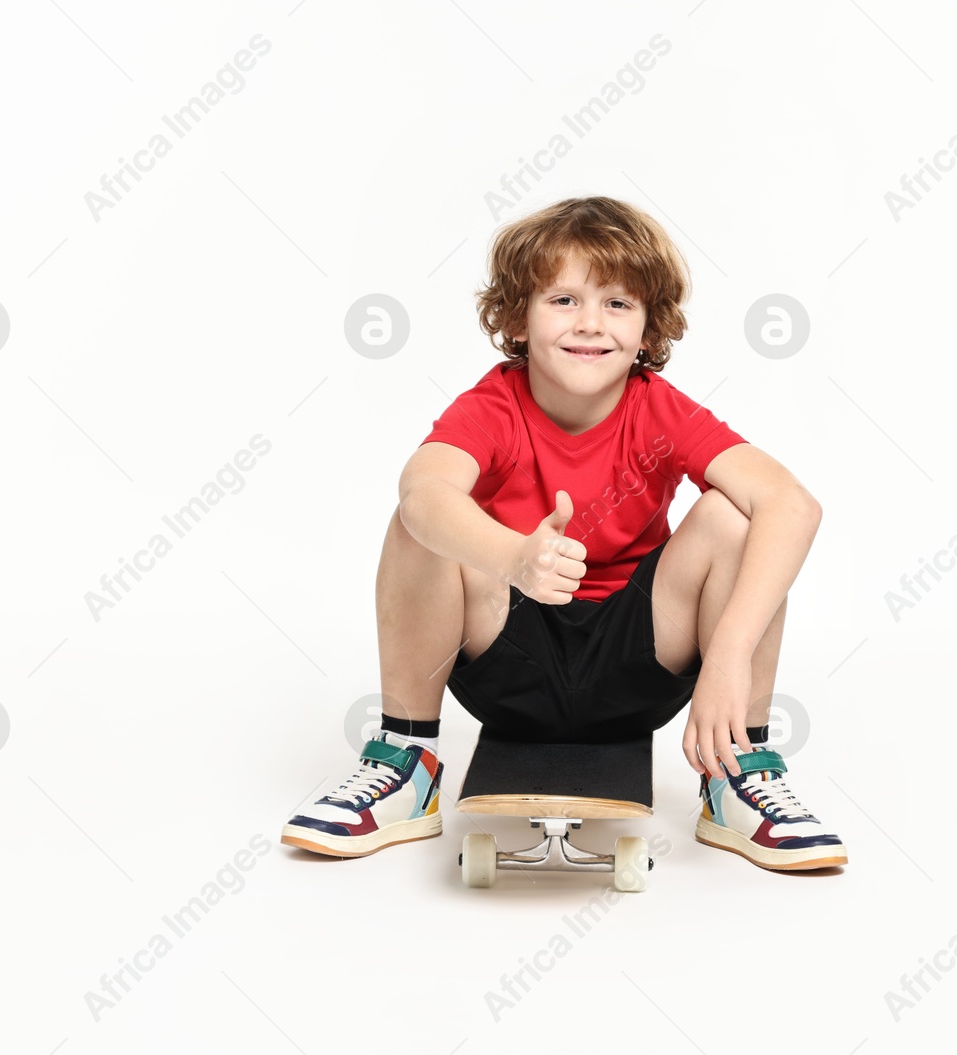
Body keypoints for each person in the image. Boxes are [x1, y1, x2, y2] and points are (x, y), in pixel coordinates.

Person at [282, 196, 845, 871]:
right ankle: (409, 760)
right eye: (564, 300)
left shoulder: (659, 409)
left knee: (734, 514)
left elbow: (793, 505)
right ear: (519, 317)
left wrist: (726, 656)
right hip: (510, 656)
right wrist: (513, 556)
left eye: (617, 304)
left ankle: (737, 770)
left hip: (639, 662)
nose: (589, 324)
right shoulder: (492, 404)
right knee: (418, 524)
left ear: (648, 329)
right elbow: (422, 491)